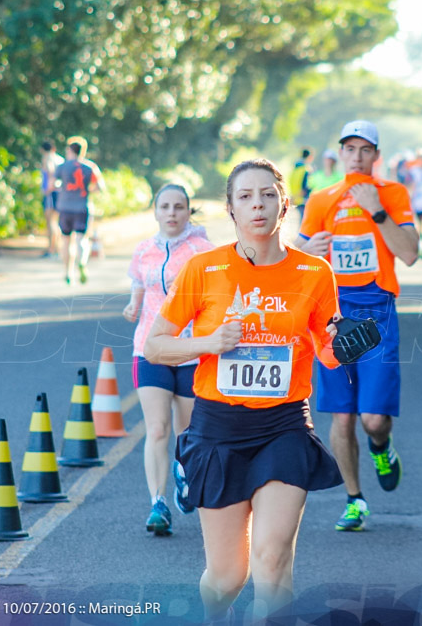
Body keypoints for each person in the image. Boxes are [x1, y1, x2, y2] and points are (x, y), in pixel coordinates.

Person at [144, 159, 344, 622]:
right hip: (218, 429)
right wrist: (208, 343)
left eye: (268, 195)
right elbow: (156, 346)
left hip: (284, 427)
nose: (258, 205)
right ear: (231, 210)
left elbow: (328, 350)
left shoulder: (314, 273)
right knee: (226, 577)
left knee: (272, 559)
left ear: (284, 204)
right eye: (246, 197)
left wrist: (346, 347)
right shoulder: (205, 269)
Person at [296, 120, 418, 532]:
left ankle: (381, 447)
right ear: (341, 153)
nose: (357, 156)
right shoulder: (322, 198)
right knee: (342, 417)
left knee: (372, 419)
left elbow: (411, 254)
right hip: (330, 316)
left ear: (376, 155)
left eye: (366, 149)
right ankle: (355, 499)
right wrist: (306, 249)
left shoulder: (394, 194)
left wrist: (377, 211)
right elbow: (297, 257)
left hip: (377, 313)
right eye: (350, 148)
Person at [123, 184, 214, 536]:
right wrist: (133, 305)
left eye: (179, 207)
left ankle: (184, 479)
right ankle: (158, 503)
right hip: (149, 348)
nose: (172, 213)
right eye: (165, 206)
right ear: (156, 211)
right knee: (157, 428)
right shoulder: (144, 250)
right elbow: (139, 286)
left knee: (186, 434)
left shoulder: (203, 251)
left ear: (189, 212)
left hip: (190, 351)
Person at [55, 136, 105, 284]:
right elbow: (99, 187)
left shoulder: (62, 167)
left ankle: (68, 272)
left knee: (66, 240)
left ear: (70, 150)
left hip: (65, 207)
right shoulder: (90, 167)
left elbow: (53, 184)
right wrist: (87, 190)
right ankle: (82, 262)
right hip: (82, 207)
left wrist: (62, 188)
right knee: (81, 239)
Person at [39, 140, 64, 258]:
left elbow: (50, 172)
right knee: (55, 221)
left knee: (50, 222)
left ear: (42, 149)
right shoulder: (60, 159)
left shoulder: (47, 158)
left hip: (51, 193)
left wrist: (47, 188)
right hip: (59, 192)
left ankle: (51, 249)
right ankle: (57, 248)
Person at [289, 148, 312, 221]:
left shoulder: (294, 169)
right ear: (309, 157)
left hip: (295, 199)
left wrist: (293, 197)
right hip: (304, 200)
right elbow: (307, 186)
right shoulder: (306, 169)